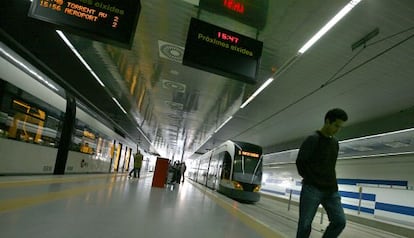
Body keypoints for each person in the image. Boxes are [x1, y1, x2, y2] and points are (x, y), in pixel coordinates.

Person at [295, 108, 348, 238]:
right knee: (305, 225)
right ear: (327, 121)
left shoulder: (335, 143)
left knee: (340, 221)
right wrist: (311, 179)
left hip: (331, 190)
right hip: (312, 188)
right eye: (336, 125)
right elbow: (300, 162)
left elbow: (330, 166)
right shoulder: (312, 139)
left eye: (340, 127)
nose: (337, 129)